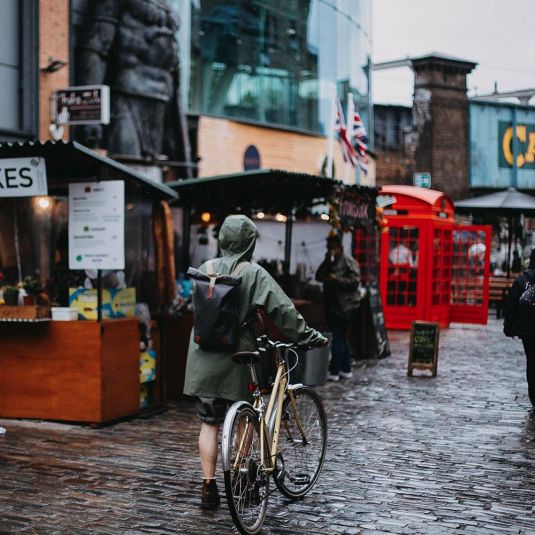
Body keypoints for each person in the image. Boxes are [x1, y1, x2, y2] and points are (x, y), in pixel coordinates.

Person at [183, 215, 327, 510]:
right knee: (244, 420)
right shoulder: (255, 272)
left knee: (209, 424)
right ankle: (243, 480)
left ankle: (208, 487)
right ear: (249, 242)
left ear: (223, 239)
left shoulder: (205, 269)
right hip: (239, 358)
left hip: (203, 356)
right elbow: (284, 311)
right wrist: (310, 336)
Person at [315, 233, 361, 382]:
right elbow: (319, 276)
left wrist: (337, 280)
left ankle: (334, 371)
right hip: (332, 306)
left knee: (338, 338)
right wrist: (328, 260)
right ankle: (346, 369)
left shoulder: (347, 260)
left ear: (339, 247)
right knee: (340, 337)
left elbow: (355, 280)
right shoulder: (329, 261)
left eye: (332, 247)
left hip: (345, 306)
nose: (330, 250)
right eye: (328, 248)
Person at [503, 248, 535, 410]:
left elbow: (511, 308)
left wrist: (508, 327)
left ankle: (534, 395)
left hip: (527, 329)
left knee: (532, 360)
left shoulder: (522, 279)